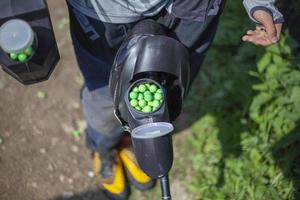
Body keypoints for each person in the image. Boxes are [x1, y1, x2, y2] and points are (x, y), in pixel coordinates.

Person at [65, 0, 284, 199]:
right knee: (105, 95)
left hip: (192, 8)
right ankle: (104, 148)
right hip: (104, 13)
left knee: (169, 89)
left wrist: (260, 3)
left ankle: (134, 140)